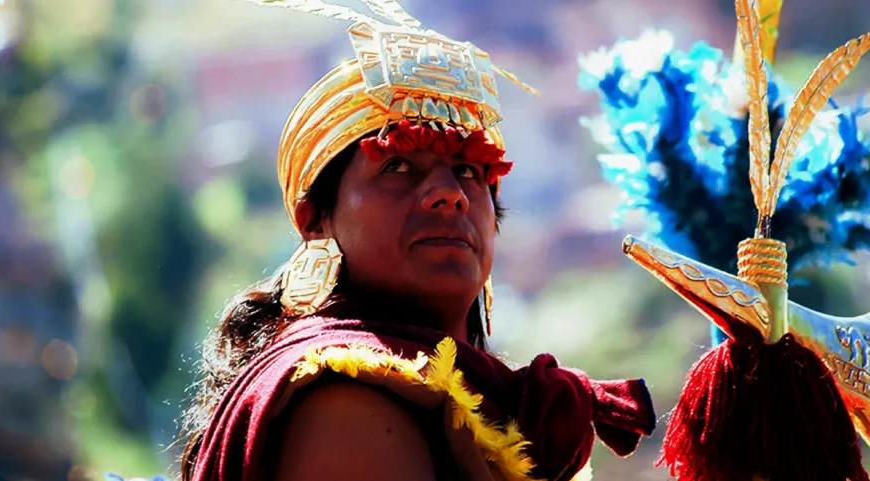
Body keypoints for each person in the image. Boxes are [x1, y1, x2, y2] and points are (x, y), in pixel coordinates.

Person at [178, 2, 656, 481]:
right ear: (315, 221)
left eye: (469, 171)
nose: (450, 195)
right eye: (398, 166)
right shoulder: (347, 404)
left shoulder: (464, 398)